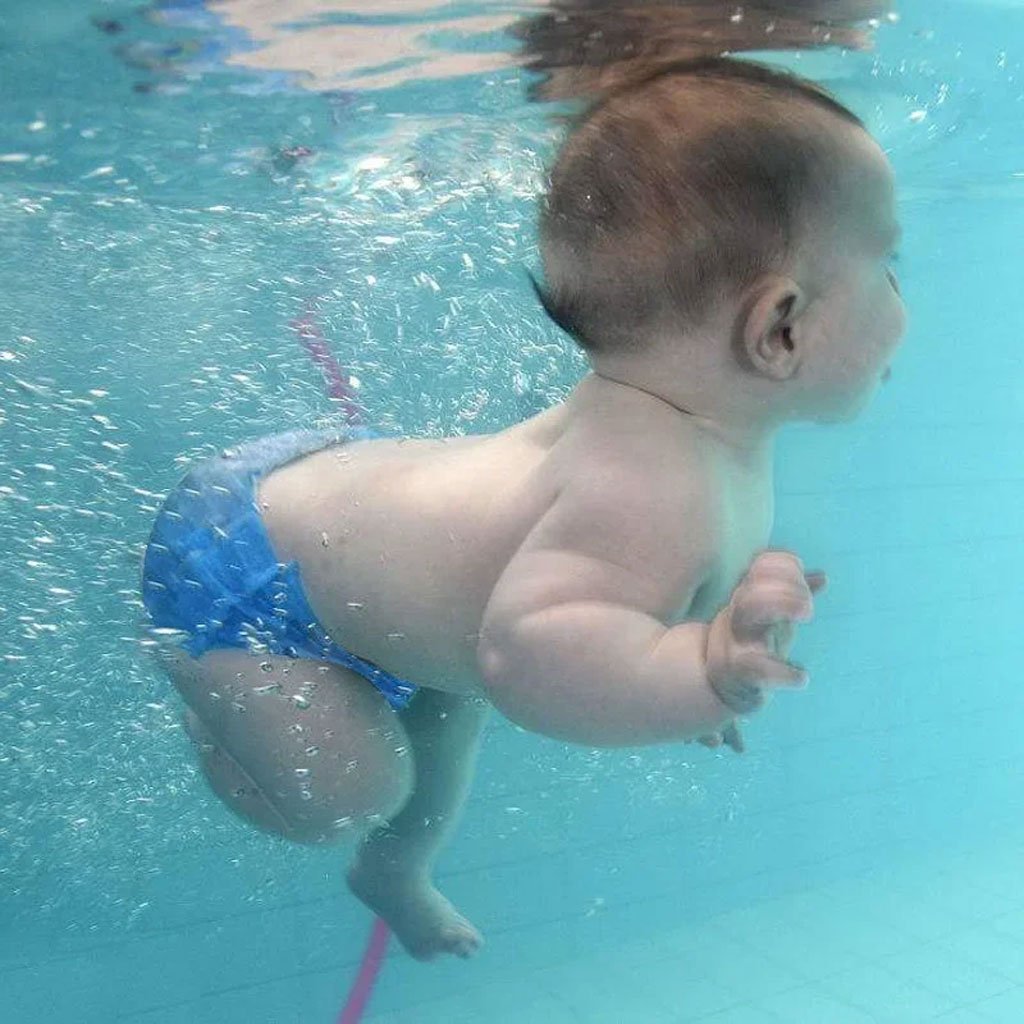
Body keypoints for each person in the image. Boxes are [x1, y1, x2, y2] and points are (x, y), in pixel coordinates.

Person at [139, 3, 905, 963]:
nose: (902, 300)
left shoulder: (694, 433)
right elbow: (529, 665)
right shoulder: (651, 480)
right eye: (891, 266)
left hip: (337, 517)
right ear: (779, 329)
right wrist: (696, 676)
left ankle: (394, 873)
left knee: (446, 718)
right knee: (349, 794)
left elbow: (599, 608)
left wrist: (673, 661)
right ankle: (207, 691)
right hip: (245, 565)